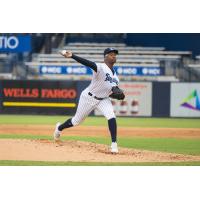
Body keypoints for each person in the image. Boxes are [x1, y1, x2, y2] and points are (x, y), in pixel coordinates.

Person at [53, 47, 125, 153]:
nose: (114, 56)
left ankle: (114, 144)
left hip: (103, 99)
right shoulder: (100, 67)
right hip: (88, 97)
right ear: (105, 57)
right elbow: (87, 63)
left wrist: (120, 95)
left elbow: (112, 92)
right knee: (76, 121)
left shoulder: (116, 78)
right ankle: (59, 128)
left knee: (111, 116)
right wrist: (72, 56)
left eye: (115, 54)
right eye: (111, 54)